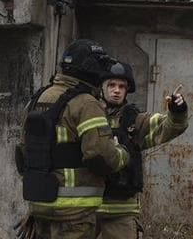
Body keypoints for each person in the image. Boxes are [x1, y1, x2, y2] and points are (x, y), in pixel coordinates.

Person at [17, 39, 129, 239]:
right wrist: (122, 154)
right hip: (74, 210)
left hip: (40, 203)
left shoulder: (38, 98)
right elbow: (100, 156)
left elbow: (23, 152)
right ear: (91, 68)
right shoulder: (86, 103)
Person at [95, 62, 190, 239]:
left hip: (120, 210)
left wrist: (177, 111)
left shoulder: (135, 121)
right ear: (102, 87)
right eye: (112, 85)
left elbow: (167, 126)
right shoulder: (88, 115)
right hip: (86, 209)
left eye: (122, 86)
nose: (116, 90)